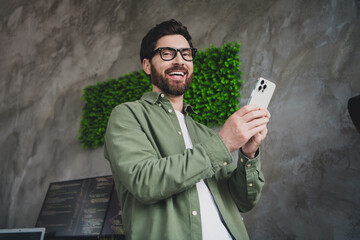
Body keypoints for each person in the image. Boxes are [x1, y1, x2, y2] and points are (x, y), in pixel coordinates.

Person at [104, 19, 271, 240]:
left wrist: (248, 154)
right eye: (167, 53)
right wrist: (224, 143)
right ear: (147, 65)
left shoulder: (205, 133)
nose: (179, 61)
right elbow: (145, 181)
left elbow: (242, 201)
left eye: (186, 54)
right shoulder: (127, 115)